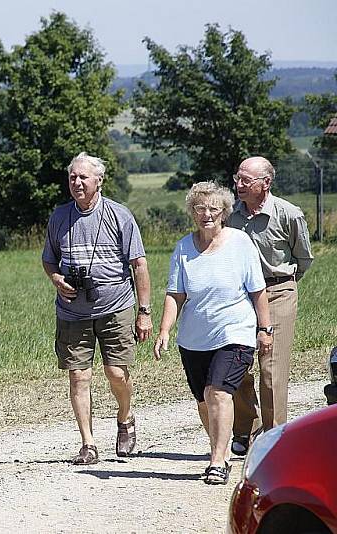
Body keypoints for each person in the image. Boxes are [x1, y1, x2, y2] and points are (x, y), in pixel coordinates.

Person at [153, 181, 272, 485]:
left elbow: (257, 291)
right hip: (194, 338)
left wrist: (264, 329)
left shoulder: (240, 243)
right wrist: (165, 329)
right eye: (200, 208)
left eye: (213, 208)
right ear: (192, 212)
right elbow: (175, 294)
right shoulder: (183, 248)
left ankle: (218, 461)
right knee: (204, 400)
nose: (207, 214)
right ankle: (219, 449)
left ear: (224, 212)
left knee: (217, 392)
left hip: (234, 331)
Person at [42, 152, 152, 465]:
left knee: (116, 372)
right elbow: (49, 259)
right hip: (72, 310)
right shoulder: (60, 216)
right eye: (72, 177)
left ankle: (126, 416)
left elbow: (139, 265)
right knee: (78, 375)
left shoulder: (120, 215)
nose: (77, 182)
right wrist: (56, 279)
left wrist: (144, 312)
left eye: (83, 177)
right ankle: (88, 444)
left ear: (99, 181)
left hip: (116, 306)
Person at [227, 156, 314, 455]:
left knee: (271, 369)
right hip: (239, 296)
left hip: (277, 291)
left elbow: (303, 259)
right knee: (235, 362)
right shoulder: (230, 215)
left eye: (245, 181)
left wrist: (283, 285)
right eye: (237, 178)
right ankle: (245, 431)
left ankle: (274, 439)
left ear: (265, 184)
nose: (238, 185)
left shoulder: (288, 214)